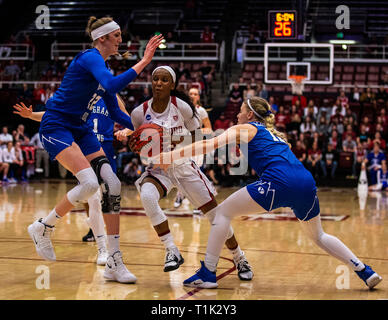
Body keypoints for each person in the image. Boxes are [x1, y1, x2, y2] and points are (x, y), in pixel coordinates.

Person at [153, 96, 382, 289]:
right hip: (306, 182)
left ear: (250, 115)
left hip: (279, 182)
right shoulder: (272, 134)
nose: (237, 116)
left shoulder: (245, 128)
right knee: (318, 236)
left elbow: (208, 144)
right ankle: (364, 270)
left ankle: (208, 273)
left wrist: (170, 156)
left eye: (241, 112)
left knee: (222, 213)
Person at [24, 15, 163, 284]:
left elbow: (115, 111)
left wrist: (144, 125)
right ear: (102, 38)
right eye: (117, 36)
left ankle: (113, 261)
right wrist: (145, 61)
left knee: (112, 184)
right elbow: (111, 86)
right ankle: (44, 227)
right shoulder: (89, 57)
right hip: (57, 124)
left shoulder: (103, 71)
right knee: (89, 183)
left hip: (81, 128)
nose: (121, 40)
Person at [115, 66, 253, 280]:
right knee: (148, 196)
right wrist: (128, 134)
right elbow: (139, 136)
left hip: (183, 165)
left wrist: (168, 141)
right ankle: (171, 249)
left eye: (164, 80)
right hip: (158, 168)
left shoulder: (183, 108)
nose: (159, 83)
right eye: (155, 79)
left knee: (216, 216)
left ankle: (239, 257)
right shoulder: (139, 112)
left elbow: (198, 137)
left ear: (172, 84)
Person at [14, 93, 136, 266]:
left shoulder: (112, 96)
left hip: (105, 150)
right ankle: (102, 249)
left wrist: (125, 131)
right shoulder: (83, 93)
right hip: (84, 148)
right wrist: (31, 115)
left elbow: (129, 121)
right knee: (93, 198)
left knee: (107, 202)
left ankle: (106, 246)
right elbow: (56, 116)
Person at [173, 87, 213, 212]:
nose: (193, 95)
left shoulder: (201, 111)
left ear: (198, 97)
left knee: (195, 174)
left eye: (195, 94)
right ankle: (180, 195)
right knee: (182, 172)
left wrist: (194, 131)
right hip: (183, 144)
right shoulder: (181, 109)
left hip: (196, 145)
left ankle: (198, 203)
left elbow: (209, 129)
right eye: (190, 93)